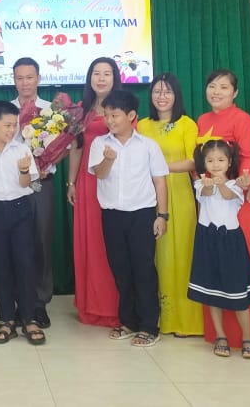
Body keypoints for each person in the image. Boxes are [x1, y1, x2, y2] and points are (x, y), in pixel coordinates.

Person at [89, 90, 168, 348]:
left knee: (144, 269)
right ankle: (128, 321)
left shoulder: (148, 145)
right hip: (112, 215)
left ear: (131, 116)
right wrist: (108, 161)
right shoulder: (100, 144)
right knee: (121, 269)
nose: (110, 120)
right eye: (107, 115)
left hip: (142, 214)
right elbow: (99, 175)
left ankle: (149, 326)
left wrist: (162, 215)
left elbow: (160, 181)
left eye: (115, 115)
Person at [195, 69, 250, 349]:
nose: (217, 92)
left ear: (235, 93)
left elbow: (248, 156)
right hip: (208, 200)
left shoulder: (243, 120)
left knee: (238, 269)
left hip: (236, 200)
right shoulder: (202, 120)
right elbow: (200, 160)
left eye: (224, 87)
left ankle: (248, 336)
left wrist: (242, 181)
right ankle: (218, 335)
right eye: (212, 86)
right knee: (211, 269)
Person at [136, 72, 204, 336]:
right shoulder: (141, 125)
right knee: (157, 256)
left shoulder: (188, 124)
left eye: (167, 92)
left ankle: (187, 321)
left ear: (177, 96)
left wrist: (159, 168)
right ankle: (161, 317)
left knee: (183, 252)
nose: (161, 97)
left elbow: (193, 161)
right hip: (147, 196)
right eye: (156, 91)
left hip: (180, 194)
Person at [0, 101, 43, 345]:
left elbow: (27, 185)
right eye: (7, 125)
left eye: (15, 125)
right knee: (0, 266)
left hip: (20, 209)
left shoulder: (21, 150)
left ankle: (29, 318)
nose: (12, 130)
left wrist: (24, 171)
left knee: (25, 264)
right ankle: (6, 320)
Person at [189, 140, 250, 359]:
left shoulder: (236, 185)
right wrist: (211, 183)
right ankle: (220, 336)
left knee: (238, 291)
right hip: (207, 239)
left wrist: (222, 184)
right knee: (210, 292)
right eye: (210, 160)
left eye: (221, 160)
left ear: (229, 162)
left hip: (231, 241)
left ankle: (247, 337)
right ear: (204, 163)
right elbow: (207, 193)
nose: (216, 164)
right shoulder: (201, 184)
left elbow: (229, 196)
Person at [66, 57, 122, 328]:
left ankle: (114, 306)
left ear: (115, 78)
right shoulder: (80, 110)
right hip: (88, 184)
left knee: (110, 244)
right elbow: (76, 147)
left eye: (107, 74)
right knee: (90, 244)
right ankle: (92, 305)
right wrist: (72, 182)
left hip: (114, 182)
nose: (101, 78)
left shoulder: (123, 108)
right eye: (96, 73)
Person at [9, 57, 57, 328]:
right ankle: (18, 302)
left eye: (30, 77)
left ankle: (39, 304)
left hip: (41, 185)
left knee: (41, 242)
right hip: (12, 187)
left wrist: (48, 162)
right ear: (13, 80)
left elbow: (63, 147)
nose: (25, 82)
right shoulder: (5, 111)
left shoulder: (52, 111)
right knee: (16, 245)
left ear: (38, 78)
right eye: (19, 78)